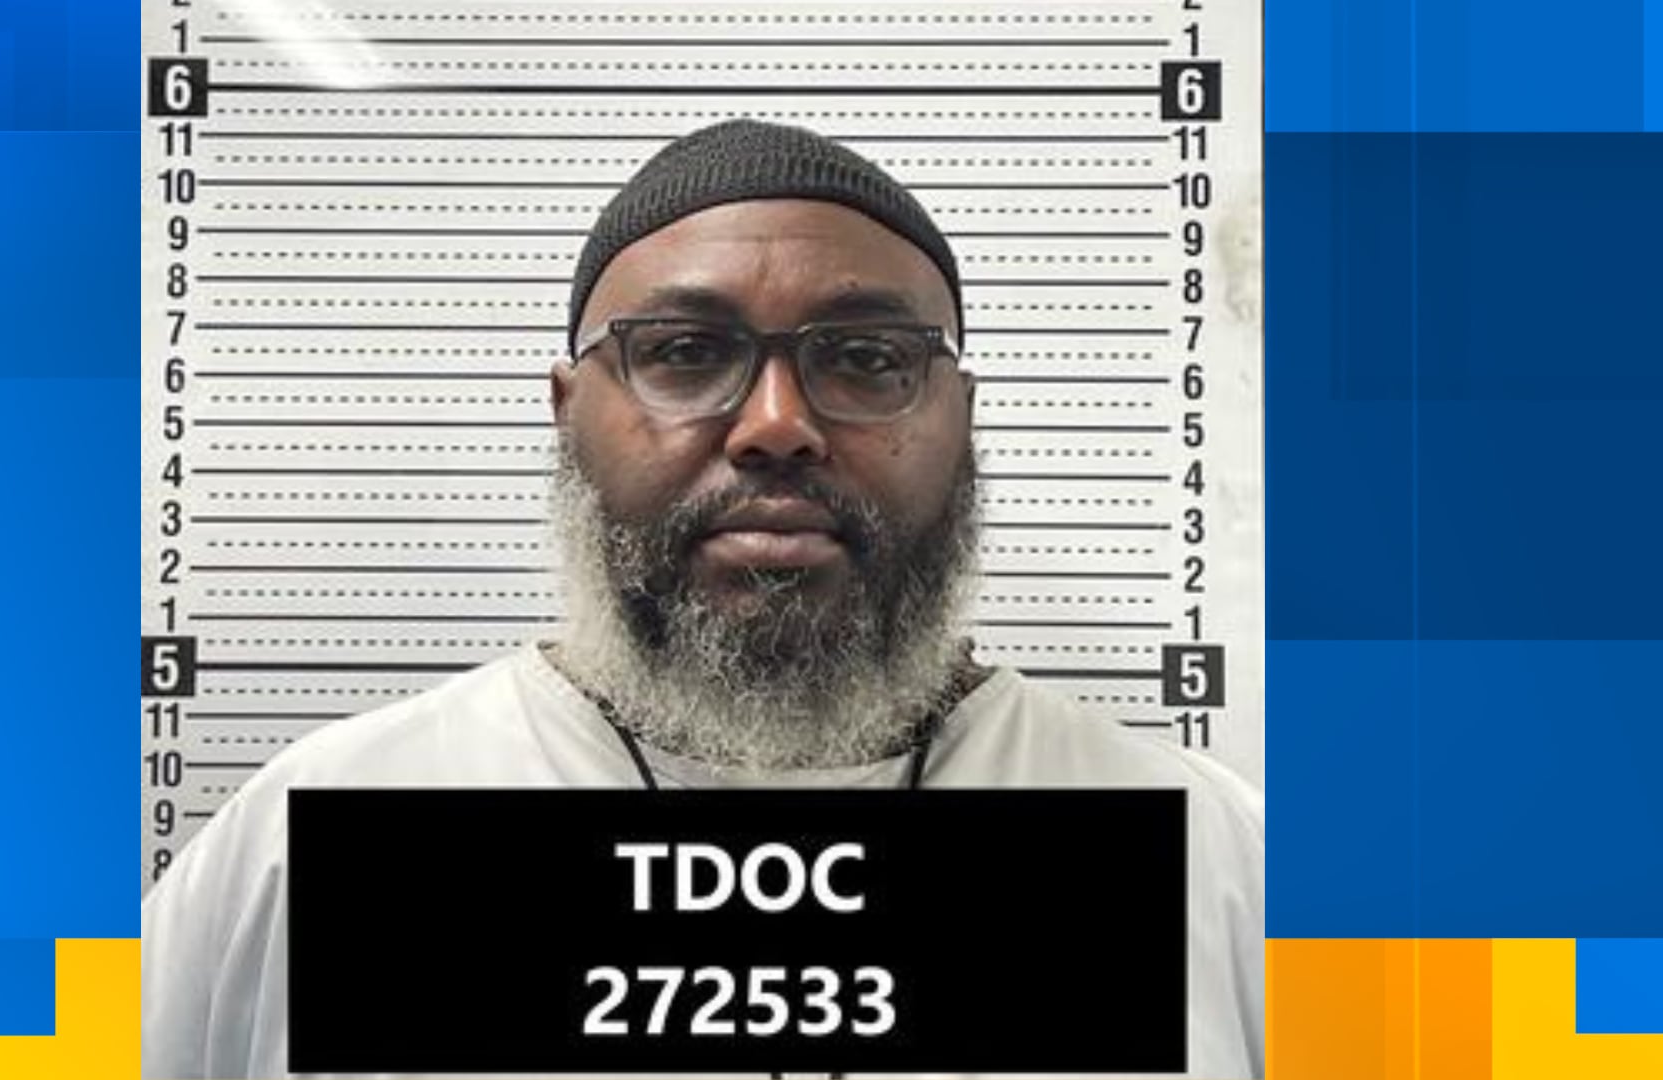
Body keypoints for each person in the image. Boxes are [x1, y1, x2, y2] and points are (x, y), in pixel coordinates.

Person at [142, 119, 1264, 1078]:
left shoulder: (1215, 858)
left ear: (960, 418)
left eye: (868, 359)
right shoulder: (313, 833)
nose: (777, 425)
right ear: (568, 413)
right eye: (683, 351)